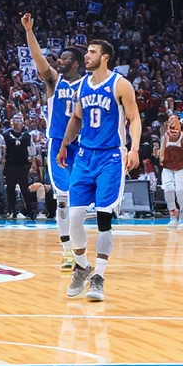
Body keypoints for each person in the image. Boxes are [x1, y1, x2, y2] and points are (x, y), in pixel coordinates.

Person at [57, 39, 142, 301]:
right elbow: (77, 118)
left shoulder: (120, 84)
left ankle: (99, 277)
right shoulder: (82, 85)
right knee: (74, 220)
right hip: (84, 156)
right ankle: (83, 267)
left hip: (111, 157)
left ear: (105, 57)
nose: (87, 56)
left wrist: (135, 147)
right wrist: (64, 144)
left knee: (104, 218)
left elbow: (134, 117)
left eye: (92, 52)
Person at [23, 13, 86, 271]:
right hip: (59, 143)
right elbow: (38, 58)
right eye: (60, 57)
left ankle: (80, 247)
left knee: (79, 201)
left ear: (77, 63)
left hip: (82, 145)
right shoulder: (53, 80)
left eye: (66, 58)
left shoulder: (89, 84)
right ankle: (67, 251)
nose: (60, 60)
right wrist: (29, 30)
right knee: (63, 197)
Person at [159, 114, 183, 227]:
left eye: (175, 119)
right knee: (168, 188)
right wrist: (160, 157)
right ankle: (173, 214)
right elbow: (162, 150)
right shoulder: (165, 136)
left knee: (180, 190)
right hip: (167, 166)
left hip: (180, 166)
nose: (172, 122)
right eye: (170, 120)